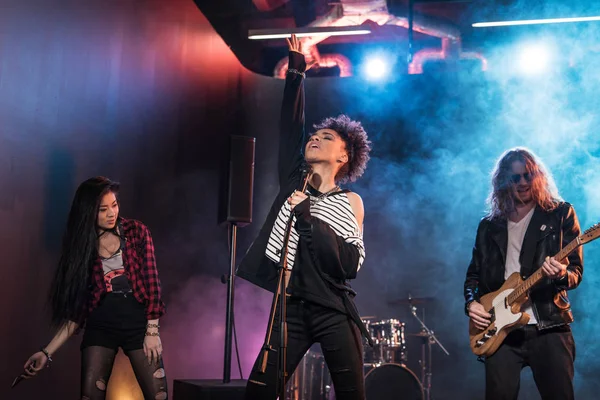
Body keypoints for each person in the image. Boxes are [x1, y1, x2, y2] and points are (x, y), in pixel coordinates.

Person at [237, 35, 372, 400]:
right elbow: (290, 127)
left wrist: (309, 217)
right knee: (259, 392)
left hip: (333, 309)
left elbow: (348, 263)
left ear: (344, 157)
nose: (315, 137)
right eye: (315, 134)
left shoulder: (351, 202)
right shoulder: (294, 180)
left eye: (326, 137)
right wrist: (296, 68)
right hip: (289, 307)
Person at [22, 177, 168, 400]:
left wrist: (152, 331)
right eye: (102, 209)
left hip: (139, 324)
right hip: (101, 326)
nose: (111, 213)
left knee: (159, 396)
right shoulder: (81, 248)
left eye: (115, 205)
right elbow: (77, 314)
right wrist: (45, 353)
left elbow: (153, 284)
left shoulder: (137, 231)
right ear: (88, 211)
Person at [464, 148, 582, 400]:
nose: (523, 183)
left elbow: (575, 273)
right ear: (503, 181)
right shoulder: (489, 225)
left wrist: (560, 273)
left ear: (538, 175)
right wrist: (471, 303)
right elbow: (473, 275)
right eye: (515, 178)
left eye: (528, 175)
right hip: (501, 331)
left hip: (548, 326)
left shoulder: (560, 214)